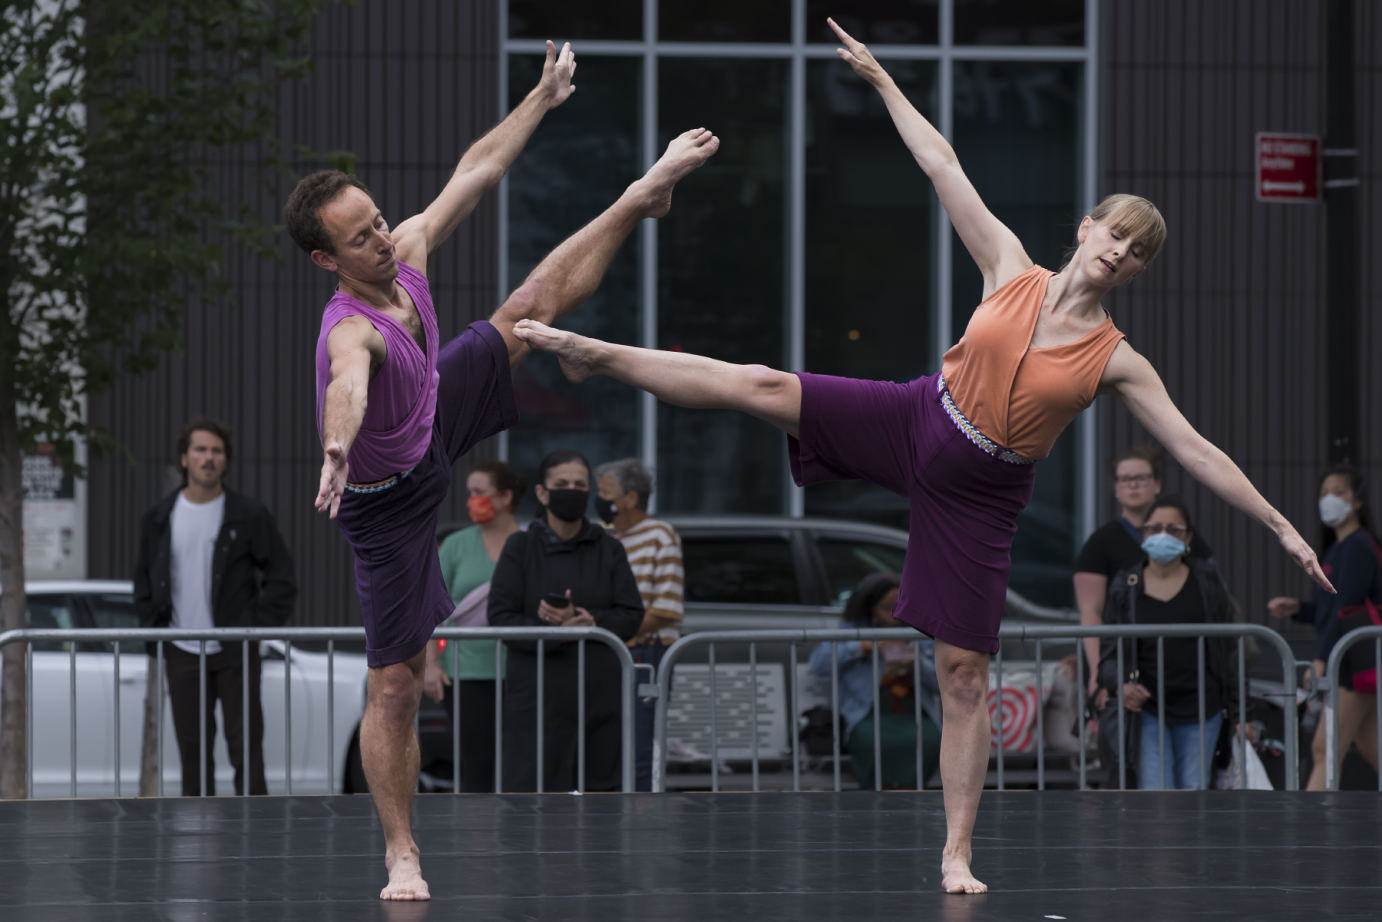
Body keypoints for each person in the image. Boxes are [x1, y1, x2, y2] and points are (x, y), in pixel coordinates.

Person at [509, 19, 1331, 894]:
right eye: (1115, 236)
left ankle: (956, 851)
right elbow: (945, 168)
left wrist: (1280, 524)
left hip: (982, 491)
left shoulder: (1117, 358)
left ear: (1134, 272)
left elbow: (1194, 450)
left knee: (963, 672)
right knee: (758, 384)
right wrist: (883, 81)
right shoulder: (1009, 265)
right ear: (1087, 229)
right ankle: (592, 350)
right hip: (917, 418)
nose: (1119, 254)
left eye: (1136, 255)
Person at [292, 36, 719, 898]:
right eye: (359, 238)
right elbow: (348, 382)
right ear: (325, 260)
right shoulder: (350, 326)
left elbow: (477, 168)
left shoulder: (404, 254)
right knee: (395, 687)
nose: (381, 238)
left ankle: (639, 196)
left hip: (434, 415)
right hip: (384, 499)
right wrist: (338, 446)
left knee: (524, 311)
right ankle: (402, 851)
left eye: (377, 222)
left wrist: (542, 96)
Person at [133, 416, 296, 797]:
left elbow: (283, 579)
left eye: (217, 451)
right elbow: (142, 583)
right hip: (182, 649)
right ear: (184, 459)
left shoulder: (248, 514)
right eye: (200, 450)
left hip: (234, 649)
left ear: (227, 459)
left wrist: (253, 626)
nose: (209, 458)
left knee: (246, 749)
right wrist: (157, 633)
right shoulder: (158, 519)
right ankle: (198, 840)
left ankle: (255, 836)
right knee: (193, 753)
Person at [488, 450, 644, 792]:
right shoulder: (520, 546)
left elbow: (632, 615)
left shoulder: (610, 549)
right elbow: (500, 617)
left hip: (599, 701)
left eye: (579, 484)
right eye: (561, 484)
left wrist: (590, 622)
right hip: (536, 701)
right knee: (530, 805)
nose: (571, 490)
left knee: (601, 808)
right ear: (543, 493)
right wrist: (555, 633)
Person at [1096, 497, 1239, 790]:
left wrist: (1241, 710)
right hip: (1147, 707)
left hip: (1203, 705)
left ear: (1188, 537)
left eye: (1173, 529)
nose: (1162, 535)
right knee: (1155, 795)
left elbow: (1229, 648)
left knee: (1194, 791)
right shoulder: (1126, 584)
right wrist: (1120, 685)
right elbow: (1108, 654)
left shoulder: (1207, 580)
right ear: (1143, 533)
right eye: (1154, 528)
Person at [1074, 445, 1217, 708]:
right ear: (1115, 488)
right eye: (1125, 479)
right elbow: (1090, 614)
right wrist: (1099, 673)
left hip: (1186, 671)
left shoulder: (1188, 540)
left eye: (1141, 478)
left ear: (1157, 484)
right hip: (1125, 667)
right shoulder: (1100, 543)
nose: (1133, 485)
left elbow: (1214, 601)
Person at [1269, 464, 1380, 790]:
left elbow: (1345, 609)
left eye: (1339, 492)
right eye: (1324, 493)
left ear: (1357, 501)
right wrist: (1299, 609)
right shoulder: (1335, 547)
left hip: (1354, 661)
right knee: (1371, 747)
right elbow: (1331, 607)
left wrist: (1321, 659)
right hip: (1351, 660)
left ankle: (1307, 828)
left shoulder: (1360, 545)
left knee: (1325, 747)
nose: (1329, 499)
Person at [421, 461, 527, 792]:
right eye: (469, 493)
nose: (471, 500)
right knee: (476, 767)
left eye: (480, 492)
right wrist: (430, 665)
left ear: (505, 496)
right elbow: (430, 606)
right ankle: (478, 841)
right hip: (464, 673)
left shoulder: (532, 542)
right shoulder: (456, 545)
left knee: (522, 766)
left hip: (524, 672)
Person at [593, 457, 685, 791]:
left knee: (640, 745)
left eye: (604, 493)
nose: (598, 501)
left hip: (647, 654)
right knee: (613, 743)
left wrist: (613, 631)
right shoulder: (607, 537)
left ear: (630, 498)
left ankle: (643, 820)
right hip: (615, 654)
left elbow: (666, 609)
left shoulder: (660, 534)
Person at [809, 573, 942, 789]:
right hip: (866, 714)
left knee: (929, 738)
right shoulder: (853, 631)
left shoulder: (920, 634)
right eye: (887, 608)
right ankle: (874, 790)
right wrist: (862, 647)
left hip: (914, 713)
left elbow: (942, 685)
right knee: (872, 739)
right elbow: (818, 665)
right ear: (870, 608)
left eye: (901, 607)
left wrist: (916, 663)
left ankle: (912, 790)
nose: (895, 616)